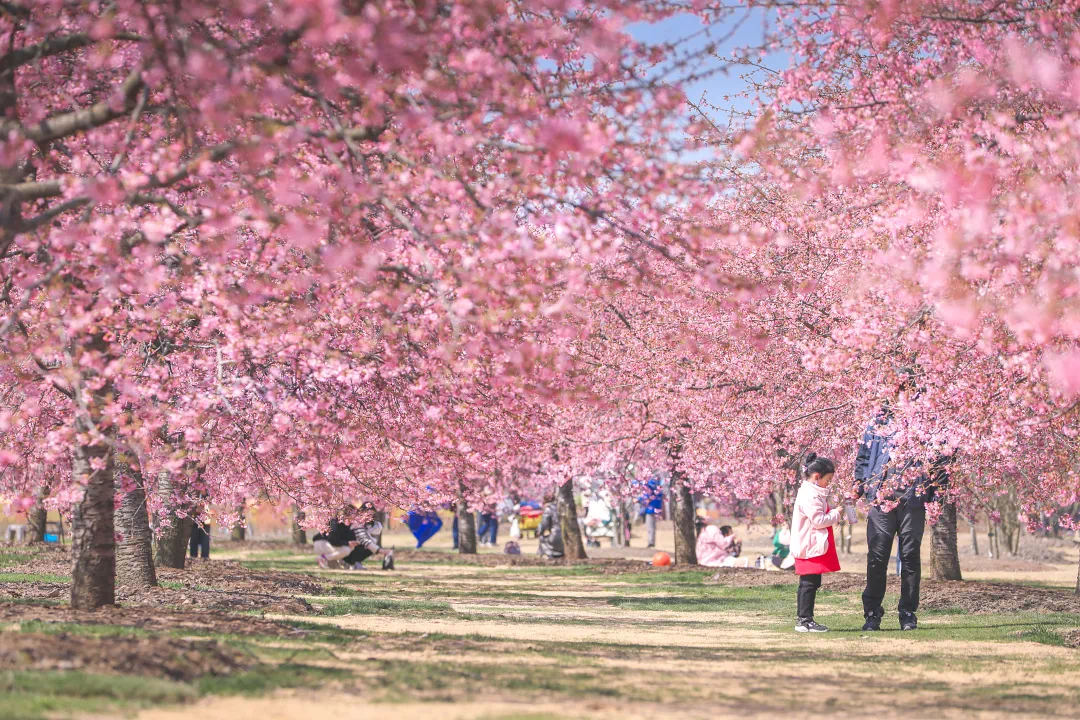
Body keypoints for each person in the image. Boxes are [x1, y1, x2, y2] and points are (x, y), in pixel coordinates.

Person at [855, 371, 949, 632]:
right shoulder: (879, 421)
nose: (902, 394)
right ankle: (872, 613)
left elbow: (942, 461)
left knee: (910, 558)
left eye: (907, 389)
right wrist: (860, 483)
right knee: (877, 557)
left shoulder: (928, 422)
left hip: (914, 499)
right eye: (898, 389)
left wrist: (937, 496)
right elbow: (863, 455)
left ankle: (907, 613)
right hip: (881, 499)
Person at [791, 453, 844, 633]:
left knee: (810, 582)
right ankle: (804, 620)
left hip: (811, 543)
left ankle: (804, 619)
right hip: (809, 544)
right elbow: (819, 520)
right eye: (827, 480)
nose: (828, 484)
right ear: (816, 477)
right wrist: (836, 513)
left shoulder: (812, 493)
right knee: (808, 583)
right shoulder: (810, 495)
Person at [537, 491, 564, 559]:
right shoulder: (560, 507)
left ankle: (547, 556)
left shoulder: (548, 509)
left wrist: (539, 532)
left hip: (555, 536)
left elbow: (544, 524)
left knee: (542, 538)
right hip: (565, 536)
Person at [638, 477, 663, 548]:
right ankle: (651, 541)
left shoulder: (650, 492)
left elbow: (644, 498)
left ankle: (651, 542)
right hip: (655, 509)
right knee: (652, 527)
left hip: (650, 510)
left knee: (650, 527)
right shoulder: (658, 491)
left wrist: (639, 500)